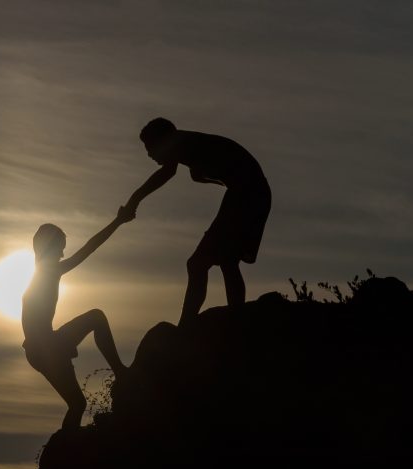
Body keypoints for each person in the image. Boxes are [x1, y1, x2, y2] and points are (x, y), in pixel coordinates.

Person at [124, 118, 271, 326]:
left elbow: (167, 173)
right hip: (250, 193)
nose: (149, 154)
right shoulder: (191, 148)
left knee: (204, 263)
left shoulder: (178, 141)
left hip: (247, 193)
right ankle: (226, 317)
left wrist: (133, 202)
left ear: (162, 140)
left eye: (150, 147)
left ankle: (193, 324)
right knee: (219, 261)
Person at [21, 206, 134, 430]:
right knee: (96, 317)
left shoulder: (39, 274)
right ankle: (120, 370)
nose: (63, 254)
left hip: (40, 348)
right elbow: (88, 249)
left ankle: (66, 446)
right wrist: (118, 221)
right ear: (50, 248)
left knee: (76, 404)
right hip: (45, 346)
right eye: (60, 249)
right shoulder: (48, 273)